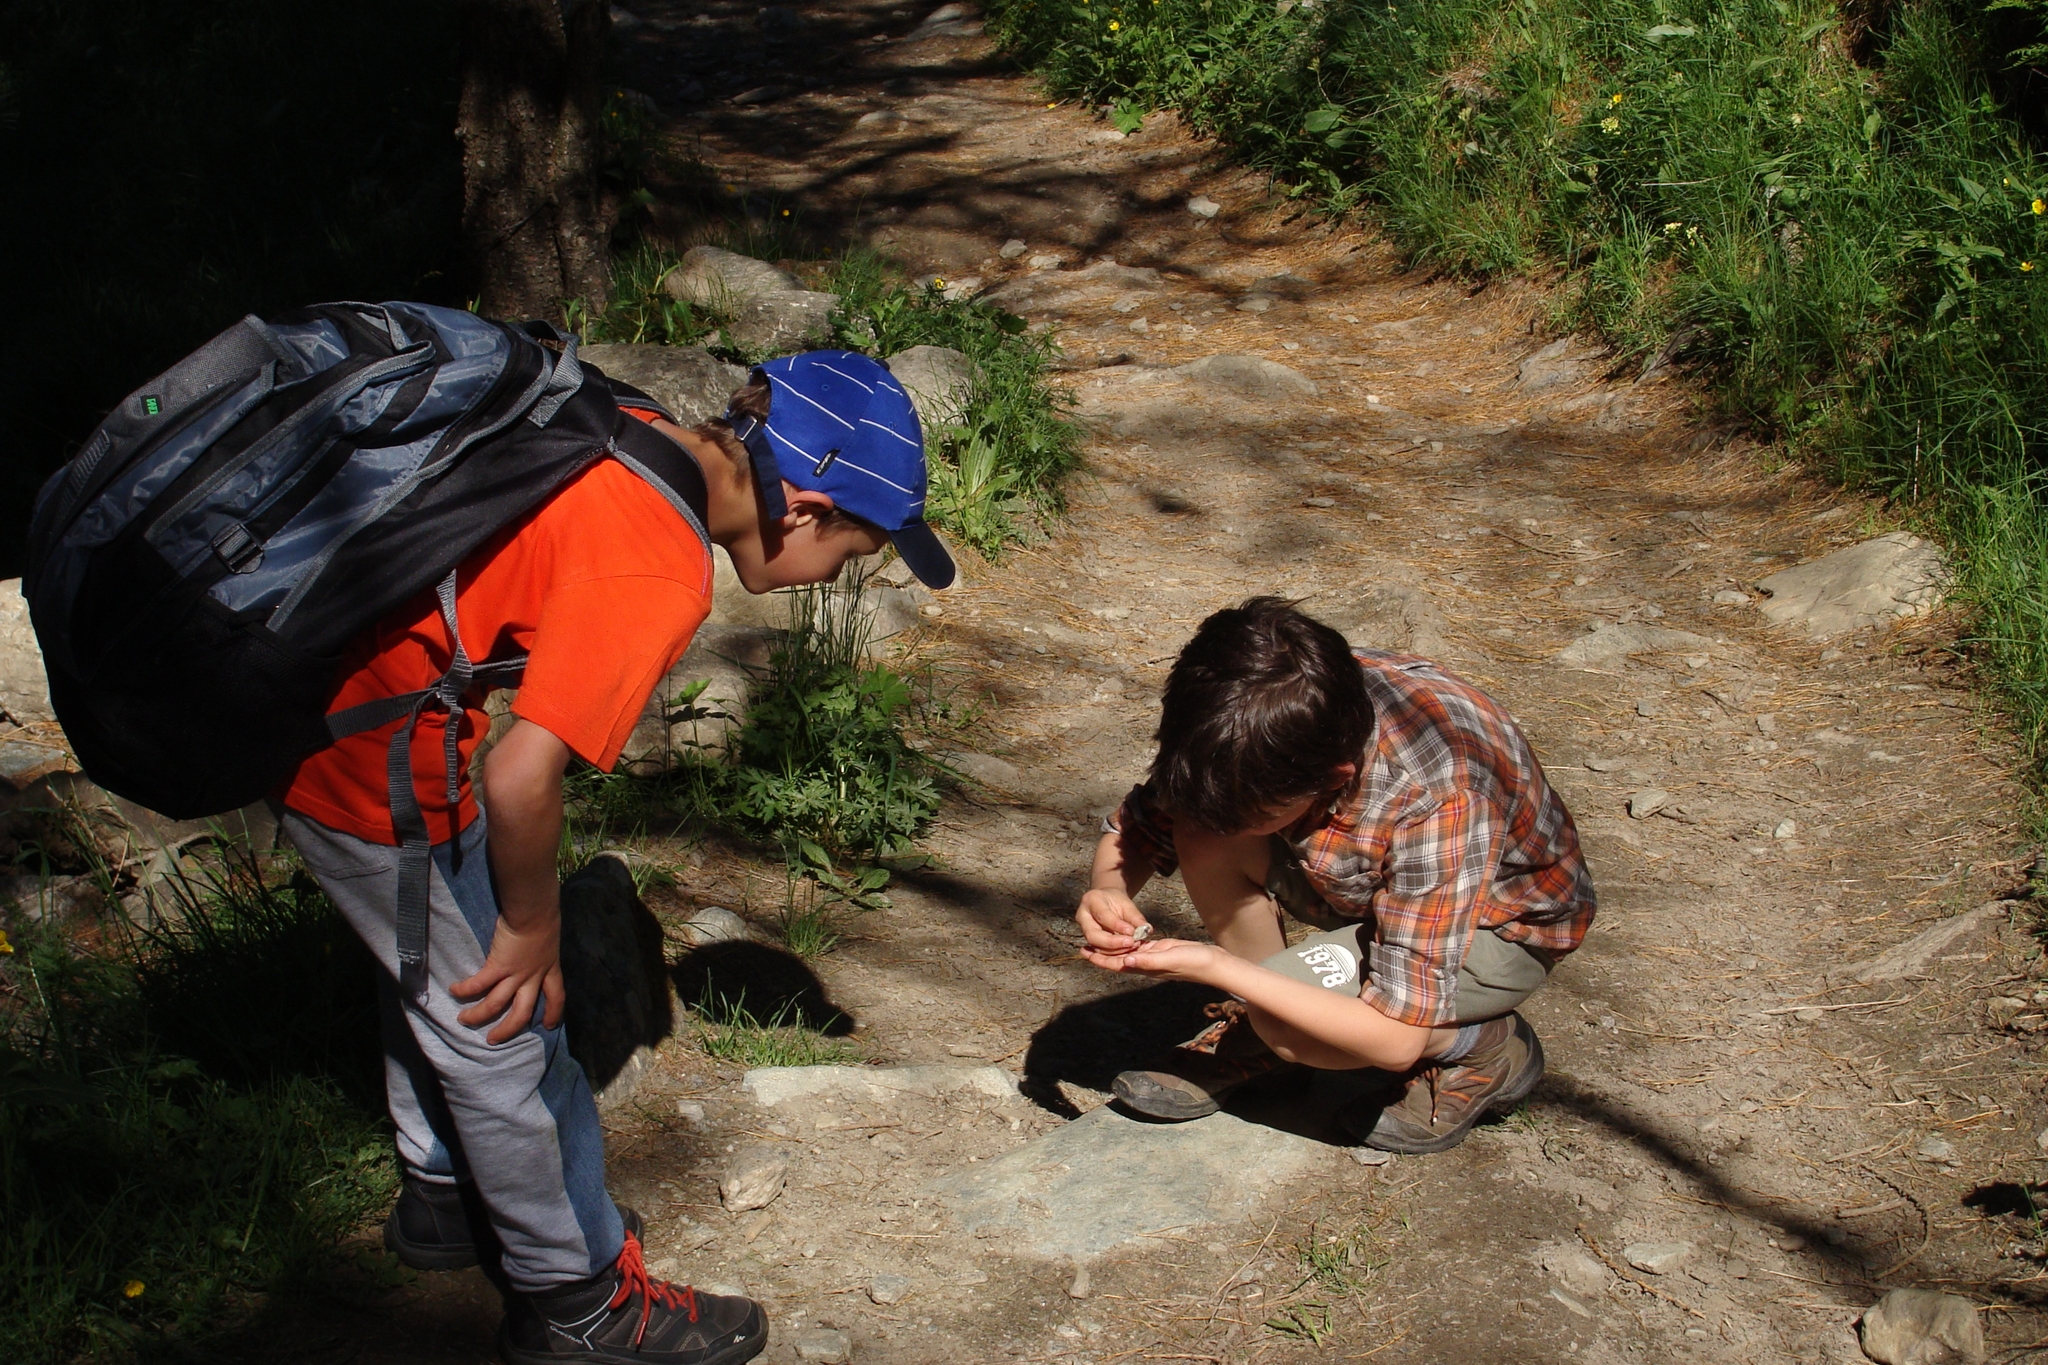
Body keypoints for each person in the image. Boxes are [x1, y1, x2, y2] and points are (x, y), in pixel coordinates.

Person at [278, 350, 954, 1365]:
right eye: (854, 554)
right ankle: (578, 1302)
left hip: (323, 695)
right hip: (372, 752)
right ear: (804, 509)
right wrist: (534, 925)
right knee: (508, 1020)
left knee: (427, 950)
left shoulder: (629, 428)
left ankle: (443, 1198)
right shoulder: (655, 558)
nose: (841, 576)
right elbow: (519, 776)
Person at [1075, 597, 1594, 1153]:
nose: (1224, 815)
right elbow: (1148, 822)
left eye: (1257, 812)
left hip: (1495, 925)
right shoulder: (1264, 710)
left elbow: (1395, 1039)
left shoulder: (1438, 798)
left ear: (1334, 776)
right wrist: (1107, 890)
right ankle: (1273, 1026)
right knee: (1206, 830)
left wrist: (1221, 969)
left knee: (1289, 1023)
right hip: (1372, 878)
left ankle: (1480, 1043)